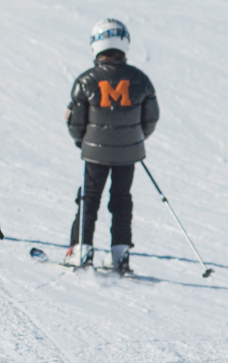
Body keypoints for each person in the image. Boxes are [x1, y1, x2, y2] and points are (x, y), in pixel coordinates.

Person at [65, 19, 159, 274]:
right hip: (129, 153)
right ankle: (120, 254)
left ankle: (81, 248)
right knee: (121, 199)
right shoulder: (140, 79)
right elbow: (150, 118)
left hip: (94, 153)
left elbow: (75, 122)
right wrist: (133, 139)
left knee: (89, 197)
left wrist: (83, 142)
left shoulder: (86, 80)